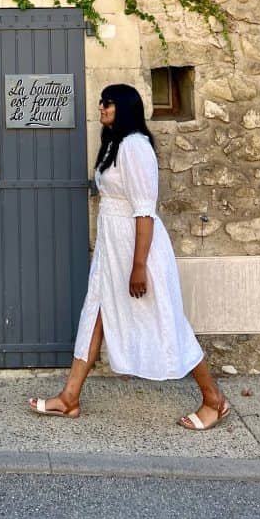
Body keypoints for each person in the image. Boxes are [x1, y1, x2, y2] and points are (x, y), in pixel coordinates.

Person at [30, 83, 229, 431]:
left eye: (107, 104)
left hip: (138, 250)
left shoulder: (136, 147)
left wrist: (139, 266)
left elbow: (144, 211)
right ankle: (69, 397)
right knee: (95, 313)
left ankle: (214, 400)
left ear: (124, 107)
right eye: (101, 102)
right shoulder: (115, 144)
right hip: (113, 248)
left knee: (167, 321)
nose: (101, 109)